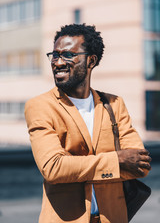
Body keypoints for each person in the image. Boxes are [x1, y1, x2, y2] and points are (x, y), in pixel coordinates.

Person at [25, 24, 151, 223]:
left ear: (91, 60)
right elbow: (53, 168)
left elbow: (140, 165)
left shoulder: (114, 104)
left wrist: (76, 167)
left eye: (67, 55)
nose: (57, 62)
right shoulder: (41, 106)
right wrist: (117, 160)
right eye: (54, 55)